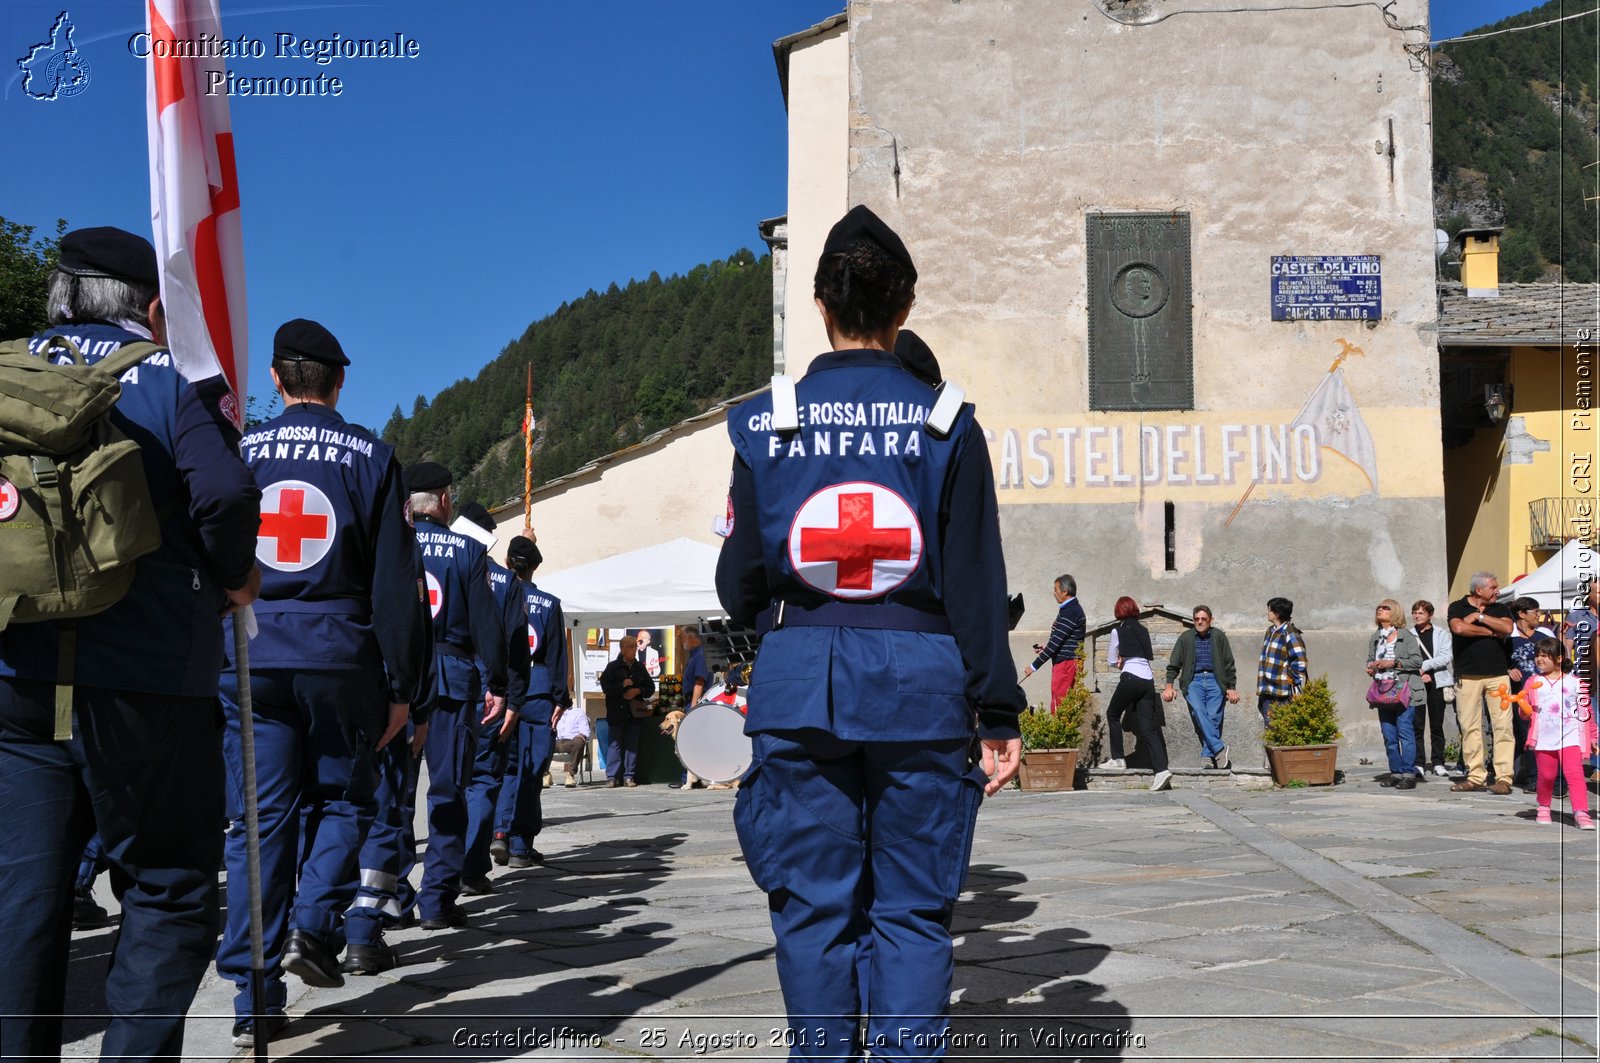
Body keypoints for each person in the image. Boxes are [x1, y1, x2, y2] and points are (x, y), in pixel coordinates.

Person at [715, 204, 1024, 1058]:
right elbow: (975, 582)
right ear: (905, 308)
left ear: (819, 305)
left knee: (811, 904)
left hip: (799, 674)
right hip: (919, 683)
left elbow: (737, 583)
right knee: (915, 908)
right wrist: (997, 711)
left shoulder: (763, 421)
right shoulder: (947, 422)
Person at [0, 226, 261, 1060]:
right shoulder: (173, 377)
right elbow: (223, 493)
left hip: (17, 673)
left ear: (59, 295)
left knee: (23, 895)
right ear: (150, 307)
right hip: (151, 679)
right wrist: (234, 578)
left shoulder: (8, 364)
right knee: (168, 882)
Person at [215, 319, 424, 1040]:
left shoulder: (241, 449)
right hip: (341, 655)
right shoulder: (371, 454)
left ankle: (254, 995)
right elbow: (398, 582)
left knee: (257, 821)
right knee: (345, 797)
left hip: (252, 653)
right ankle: (311, 923)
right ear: (339, 382)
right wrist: (404, 686)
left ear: (275, 379)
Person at [407, 462, 508, 929]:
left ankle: (384, 896)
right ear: (444, 500)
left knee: (393, 793)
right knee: (448, 791)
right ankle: (437, 901)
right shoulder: (468, 551)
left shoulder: (390, 543)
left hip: (399, 678)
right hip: (451, 678)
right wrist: (499, 685)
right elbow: (488, 627)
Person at [456, 506, 530, 894]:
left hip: (438, 680)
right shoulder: (504, 581)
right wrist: (514, 700)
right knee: (483, 778)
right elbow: (518, 648)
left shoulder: (423, 560)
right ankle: (469, 869)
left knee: (441, 782)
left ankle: (404, 890)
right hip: (489, 683)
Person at [492, 533, 570, 865]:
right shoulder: (549, 604)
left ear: (508, 563)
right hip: (538, 689)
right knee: (532, 770)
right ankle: (521, 842)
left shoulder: (495, 595)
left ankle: (499, 832)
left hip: (503, 686)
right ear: (536, 567)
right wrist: (560, 699)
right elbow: (557, 656)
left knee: (505, 767)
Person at [1447, 572, 1515, 794]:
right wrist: (1488, 631)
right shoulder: (1457, 607)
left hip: (1497, 675)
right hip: (1467, 676)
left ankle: (1504, 778)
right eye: (1493, 587)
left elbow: (1507, 629)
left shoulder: (1501, 608)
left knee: (1503, 726)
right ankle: (1476, 776)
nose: (1498, 590)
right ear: (1479, 590)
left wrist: (1481, 618)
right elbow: (1458, 628)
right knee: (1470, 727)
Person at [1522, 637, 1597, 829]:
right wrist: (1524, 710)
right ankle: (1544, 807)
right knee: (1546, 776)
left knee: (1575, 774)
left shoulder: (1575, 683)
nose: (1539, 660)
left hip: (1570, 736)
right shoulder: (1533, 682)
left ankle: (1581, 812)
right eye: (1537, 656)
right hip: (1543, 738)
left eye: (1545, 656)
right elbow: (1524, 711)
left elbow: (1586, 712)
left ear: (1559, 658)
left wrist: (1594, 737)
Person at [1100, 596, 1172, 790]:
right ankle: (1161, 770)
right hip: (1148, 681)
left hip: (1131, 677)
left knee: (1112, 714)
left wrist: (1119, 663)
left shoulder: (1118, 630)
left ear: (1118, 611)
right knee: (1148, 727)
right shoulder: (1143, 630)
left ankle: (1118, 759)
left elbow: (1111, 660)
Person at [1162, 605, 1240, 770]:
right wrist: (1169, 686)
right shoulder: (1185, 638)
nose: (1200, 622)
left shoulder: (1219, 636)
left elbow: (1229, 663)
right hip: (1194, 681)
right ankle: (1219, 748)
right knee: (1198, 710)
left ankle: (1207, 755)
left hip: (1215, 680)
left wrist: (1231, 687)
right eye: (1197, 619)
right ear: (1193, 620)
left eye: (1204, 619)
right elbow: (1173, 665)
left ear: (1210, 620)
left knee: (1213, 717)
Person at [1365, 599, 1426, 790]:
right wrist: (1371, 667)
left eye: (1385, 608)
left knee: (1405, 732)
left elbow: (1417, 662)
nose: (1380, 610)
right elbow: (1369, 658)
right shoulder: (1376, 637)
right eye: (1378, 607)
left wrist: (1393, 663)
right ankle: (1396, 772)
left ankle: (1408, 773)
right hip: (1383, 691)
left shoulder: (1406, 636)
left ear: (1395, 613)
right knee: (1389, 735)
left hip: (1404, 691)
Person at [1021, 574, 1088, 713]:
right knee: (1061, 705)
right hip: (1065, 662)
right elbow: (1061, 639)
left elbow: (1055, 644)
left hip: (1066, 664)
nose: (1054, 593)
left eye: (1056, 589)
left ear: (1065, 592)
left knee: (1060, 708)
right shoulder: (1069, 609)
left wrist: (1033, 666)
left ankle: (1061, 734)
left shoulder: (1071, 611)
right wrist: (1046, 648)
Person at [1506, 596, 1553, 791]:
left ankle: (1553, 777)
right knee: (1528, 736)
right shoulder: (1508, 638)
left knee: (1548, 734)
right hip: (1522, 696)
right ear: (1522, 614)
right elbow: (1500, 662)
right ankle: (1533, 776)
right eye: (1536, 612)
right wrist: (1508, 670)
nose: (1539, 616)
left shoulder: (1544, 634)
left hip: (1546, 693)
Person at [600, 635, 655, 786]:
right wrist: (621, 685)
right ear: (623, 649)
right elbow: (605, 687)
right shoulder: (612, 667)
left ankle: (628, 776)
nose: (634, 650)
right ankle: (612, 776)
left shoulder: (639, 667)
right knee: (615, 744)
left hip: (634, 713)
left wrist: (637, 691)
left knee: (632, 745)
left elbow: (650, 688)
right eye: (631, 647)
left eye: (635, 647)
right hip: (616, 712)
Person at [1410, 600, 1454, 777]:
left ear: (1430, 615)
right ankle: (1418, 762)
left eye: (1421, 613)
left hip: (1437, 681)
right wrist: (1420, 673)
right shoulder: (1409, 634)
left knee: (1437, 724)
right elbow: (1406, 658)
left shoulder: (1441, 633)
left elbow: (1446, 657)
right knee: (1417, 724)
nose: (1417, 616)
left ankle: (1438, 762)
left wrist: (1425, 666)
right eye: (1415, 612)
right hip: (1416, 681)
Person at [671, 625, 711, 789]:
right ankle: (689, 776)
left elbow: (699, 682)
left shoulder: (700, 655)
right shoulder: (693, 655)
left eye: (683, 638)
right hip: (689, 701)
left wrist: (694, 706)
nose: (681, 642)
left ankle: (692, 777)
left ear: (694, 638)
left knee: (691, 741)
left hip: (695, 702)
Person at [1257, 597, 1308, 722]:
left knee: (1282, 726)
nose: (1267, 613)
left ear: (1277, 613)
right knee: (1269, 726)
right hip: (1267, 689)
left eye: (1269, 610)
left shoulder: (1290, 633)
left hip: (1282, 692)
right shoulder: (1270, 631)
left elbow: (1300, 660)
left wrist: (1291, 679)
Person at [554, 697, 593, 787]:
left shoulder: (578, 712)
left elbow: (585, 732)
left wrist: (581, 736)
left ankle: (570, 775)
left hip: (571, 742)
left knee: (579, 741)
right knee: (541, 740)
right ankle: (545, 774)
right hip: (555, 742)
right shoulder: (553, 712)